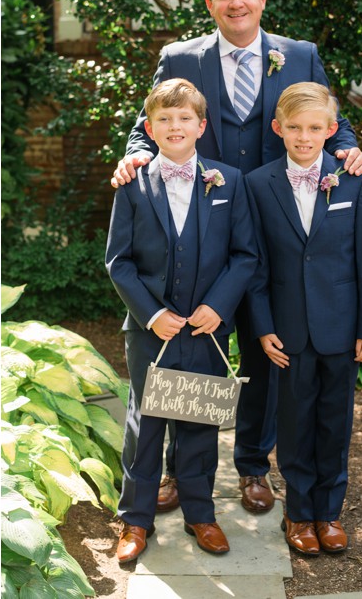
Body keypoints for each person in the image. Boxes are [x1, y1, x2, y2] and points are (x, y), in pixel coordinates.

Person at [111, 0, 362, 518]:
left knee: (263, 344)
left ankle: (254, 465)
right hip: (204, 224)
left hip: (277, 221)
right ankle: (183, 473)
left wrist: (348, 148)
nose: (236, 4)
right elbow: (146, 123)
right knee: (186, 342)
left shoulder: (298, 55)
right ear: (209, 3)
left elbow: (331, 119)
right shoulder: (180, 58)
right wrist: (135, 159)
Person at [106, 79, 257, 562]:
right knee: (145, 424)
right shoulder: (133, 185)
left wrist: (218, 305)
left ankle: (200, 514)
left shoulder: (228, 181)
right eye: (164, 120)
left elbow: (244, 255)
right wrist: (151, 315)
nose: (175, 126)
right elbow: (119, 261)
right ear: (149, 128)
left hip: (206, 328)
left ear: (201, 126)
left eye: (184, 119)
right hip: (152, 331)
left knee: (198, 421)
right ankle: (135, 520)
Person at [246, 82, 362, 556]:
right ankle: (299, 514)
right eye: (295, 128)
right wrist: (263, 326)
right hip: (287, 331)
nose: (304, 137)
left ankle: (329, 512)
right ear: (278, 129)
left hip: (342, 329)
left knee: (334, 423)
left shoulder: (352, 181)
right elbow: (256, 264)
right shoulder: (258, 184)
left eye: (314, 128)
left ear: (330, 130)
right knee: (295, 423)